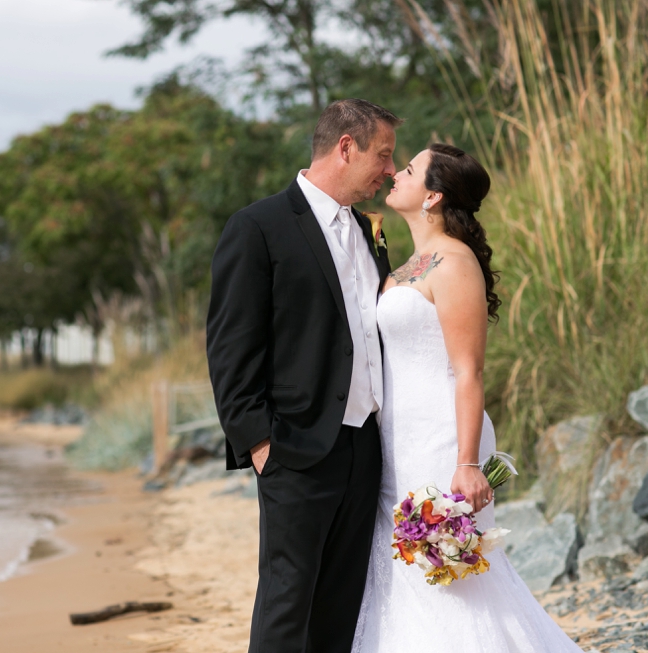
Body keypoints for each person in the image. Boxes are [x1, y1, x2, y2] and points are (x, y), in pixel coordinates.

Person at [350, 143, 584, 652]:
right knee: (404, 573)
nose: (395, 173)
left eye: (408, 169)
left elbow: (469, 369)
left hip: (443, 438)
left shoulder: (454, 263)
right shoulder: (407, 264)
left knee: (454, 576)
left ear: (433, 195)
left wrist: (466, 462)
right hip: (398, 441)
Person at [206, 98, 401, 653]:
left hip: (365, 447)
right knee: (287, 601)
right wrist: (259, 441)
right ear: (346, 147)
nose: (390, 169)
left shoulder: (370, 230)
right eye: (382, 155)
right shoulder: (258, 226)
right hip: (294, 446)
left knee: (342, 603)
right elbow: (230, 345)